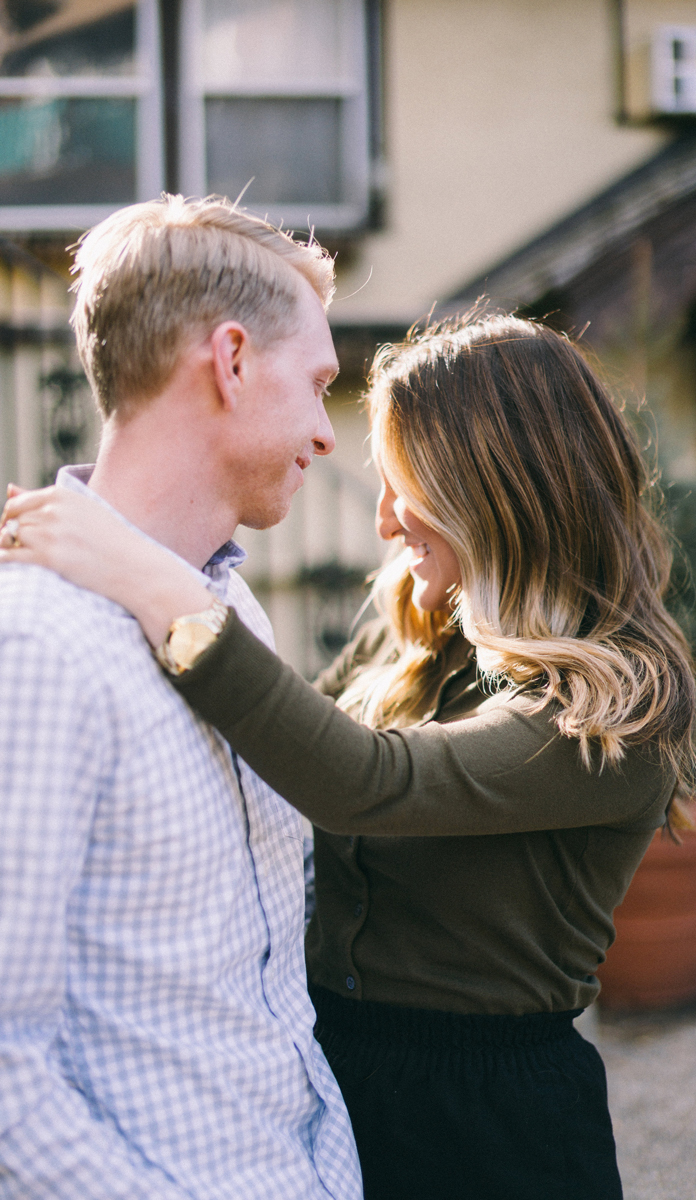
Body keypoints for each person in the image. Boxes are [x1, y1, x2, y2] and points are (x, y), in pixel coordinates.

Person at [1, 314, 696, 1200]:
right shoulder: (418, 633)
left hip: (490, 1130)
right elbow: (280, 745)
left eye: (406, 486)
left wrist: (145, 573)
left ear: (494, 491)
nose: (382, 521)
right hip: (335, 1086)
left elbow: (363, 781)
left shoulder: (614, 713)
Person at [0, 195, 363, 1199]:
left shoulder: (231, 608)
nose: (328, 436)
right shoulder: (35, 642)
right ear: (232, 359)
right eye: (319, 384)